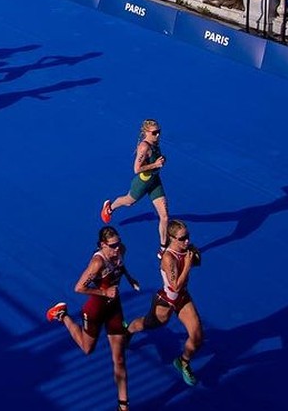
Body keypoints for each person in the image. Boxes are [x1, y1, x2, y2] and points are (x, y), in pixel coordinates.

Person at [45, 225, 141, 411]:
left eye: (118, 244)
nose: (116, 249)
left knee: (119, 358)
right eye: (112, 246)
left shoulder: (121, 250)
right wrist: (104, 291)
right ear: (102, 245)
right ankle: (62, 315)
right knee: (87, 349)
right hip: (95, 310)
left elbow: (121, 266)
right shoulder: (98, 263)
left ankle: (123, 406)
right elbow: (79, 287)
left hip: (114, 308)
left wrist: (130, 278)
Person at [124, 218, 204, 388]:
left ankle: (183, 362)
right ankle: (128, 330)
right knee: (148, 324)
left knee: (197, 335)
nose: (187, 241)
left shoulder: (185, 248)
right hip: (167, 300)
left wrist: (195, 257)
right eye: (182, 238)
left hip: (182, 298)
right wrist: (188, 265)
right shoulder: (168, 258)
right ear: (172, 238)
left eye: (187, 236)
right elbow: (174, 286)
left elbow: (196, 261)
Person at [101, 119, 169, 253]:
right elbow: (137, 169)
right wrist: (155, 165)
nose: (158, 135)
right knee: (128, 202)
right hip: (143, 182)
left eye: (159, 132)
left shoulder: (155, 142)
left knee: (165, 216)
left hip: (154, 181)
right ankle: (110, 207)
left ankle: (163, 248)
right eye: (154, 133)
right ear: (145, 133)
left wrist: (161, 160)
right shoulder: (144, 147)